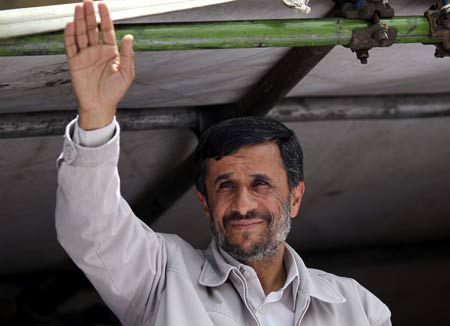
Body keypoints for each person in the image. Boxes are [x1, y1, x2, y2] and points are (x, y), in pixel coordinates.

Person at [56, 1, 392, 325]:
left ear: (295, 197)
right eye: (225, 186)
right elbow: (93, 229)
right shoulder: (161, 278)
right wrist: (96, 116)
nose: (242, 205)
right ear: (204, 202)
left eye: (260, 184)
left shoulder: (357, 307)